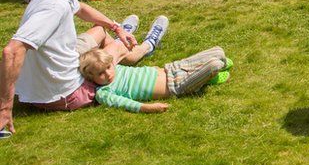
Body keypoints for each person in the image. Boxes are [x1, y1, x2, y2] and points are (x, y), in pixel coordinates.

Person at [0, 0, 140, 133]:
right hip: (64, 93)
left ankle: (125, 35)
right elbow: (12, 51)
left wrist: (116, 27)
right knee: (115, 48)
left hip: (55, 67)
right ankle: (145, 46)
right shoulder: (54, 7)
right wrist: (4, 109)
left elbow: (80, 8)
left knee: (100, 30)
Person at [79, 46, 230, 113]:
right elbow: (125, 103)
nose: (108, 74)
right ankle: (207, 79)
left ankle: (206, 76)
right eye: (100, 74)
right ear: (90, 76)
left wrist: (161, 69)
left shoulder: (116, 69)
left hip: (172, 68)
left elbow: (139, 72)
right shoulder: (104, 92)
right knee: (216, 64)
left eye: (108, 67)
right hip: (175, 84)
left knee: (219, 51)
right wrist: (147, 107)